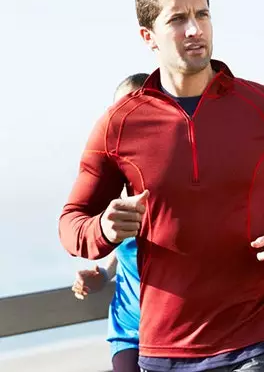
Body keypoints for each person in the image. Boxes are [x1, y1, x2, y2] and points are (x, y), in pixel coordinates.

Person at [59, 0, 264, 372]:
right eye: (177, 19)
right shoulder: (118, 124)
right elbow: (72, 222)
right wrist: (103, 228)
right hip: (165, 349)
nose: (194, 29)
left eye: (202, 15)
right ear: (148, 37)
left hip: (261, 337)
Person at [71, 73, 149, 372]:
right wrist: (102, 274)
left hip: (181, 334)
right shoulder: (111, 184)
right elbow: (125, 251)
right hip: (128, 332)